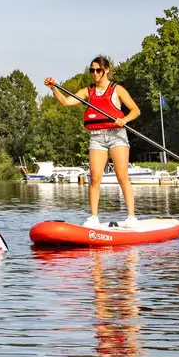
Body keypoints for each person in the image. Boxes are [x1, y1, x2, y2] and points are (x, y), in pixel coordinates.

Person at [45, 56, 143, 228]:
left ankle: (131, 216)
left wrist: (125, 119)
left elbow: (136, 110)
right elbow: (66, 102)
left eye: (98, 70)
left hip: (116, 135)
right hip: (97, 137)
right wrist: (54, 88)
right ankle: (93, 217)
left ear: (107, 70)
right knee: (95, 177)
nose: (95, 73)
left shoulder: (117, 89)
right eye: (92, 70)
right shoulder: (87, 91)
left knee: (122, 177)